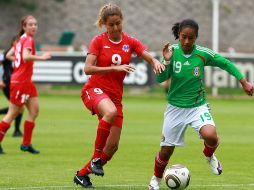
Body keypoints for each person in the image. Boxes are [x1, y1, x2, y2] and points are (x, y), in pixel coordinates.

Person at [148, 19, 253, 190]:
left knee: (211, 136)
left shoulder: (203, 54)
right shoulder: (171, 52)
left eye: (191, 38)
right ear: (178, 36)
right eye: (183, 37)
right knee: (166, 150)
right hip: (175, 108)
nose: (187, 42)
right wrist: (166, 62)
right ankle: (155, 180)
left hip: (197, 107)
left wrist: (243, 81)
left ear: (196, 37)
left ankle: (209, 156)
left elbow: (225, 63)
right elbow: (160, 79)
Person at [73, 3, 165, 188]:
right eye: (111, 25)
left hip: (115, 97)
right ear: (104, 25)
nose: (115, 28)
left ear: (122, 21)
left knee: (113, 146)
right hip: (94, 90)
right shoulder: (98, 41)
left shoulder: (129, 42)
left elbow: (145, 54)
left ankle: (82, 174)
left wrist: (155, 61)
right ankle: (96, 159)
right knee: (110, 112)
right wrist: (114, 68)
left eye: (118, 23)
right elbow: (87, 68)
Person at [0, 15, 51, 155]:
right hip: (20, 81)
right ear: (24, 27)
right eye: (30, 24)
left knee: (34, 111)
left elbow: (9, 55)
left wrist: (20, 59)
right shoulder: (27, 39)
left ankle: (26, 144)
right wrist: (42, 57)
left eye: (35, 24)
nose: (34, 27)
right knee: (12, 113)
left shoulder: (20, 39)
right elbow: (26, 57)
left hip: (26, 81)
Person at [0, 37, 24, 137]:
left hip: (16, 84)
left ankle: (17, 130)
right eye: (17, 42)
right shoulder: (6, 54)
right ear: (12, 43)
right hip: (7, 83)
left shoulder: (20, 55)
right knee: (17, 107)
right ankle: (17, 131)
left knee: (19, 107)